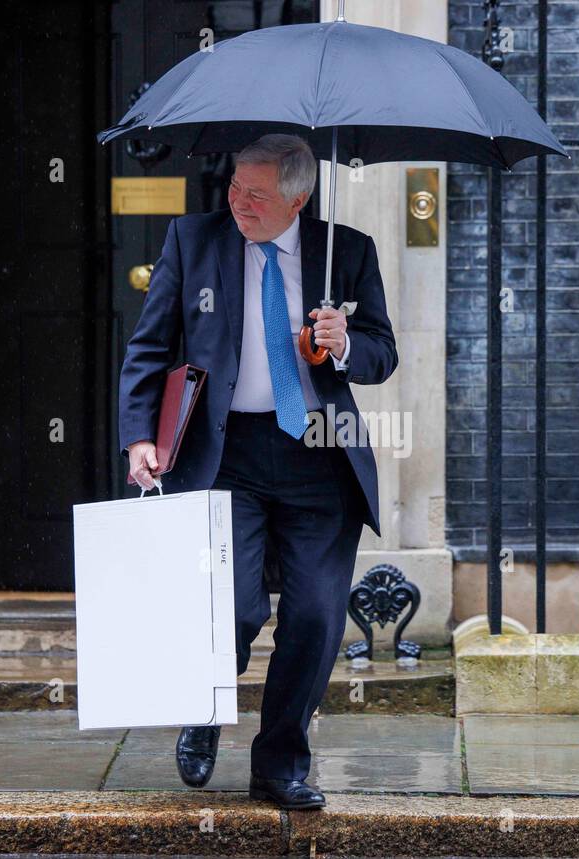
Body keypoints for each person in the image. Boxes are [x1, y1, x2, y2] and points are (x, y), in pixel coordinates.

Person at [118, 133, 398, 809]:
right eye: (235, 188)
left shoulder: (347, 251)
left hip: (319, 453)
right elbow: (149, 345)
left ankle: (279, 764)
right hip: (228, 453)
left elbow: (383, 353)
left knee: (315, 616)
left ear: (297, 198)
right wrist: (137, 439)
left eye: (257, 195)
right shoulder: (194, 240)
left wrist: (344, 346)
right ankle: (205, 707)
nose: (239, 203)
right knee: (233, 606)